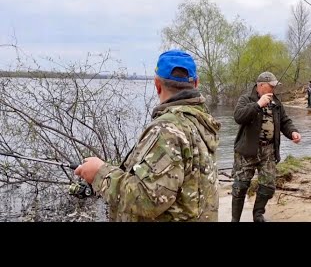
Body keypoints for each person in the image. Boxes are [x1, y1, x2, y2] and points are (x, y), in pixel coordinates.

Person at [74, 50, 221, 222]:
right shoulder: (200, 121)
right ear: (196, 83)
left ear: (157, 84)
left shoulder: (168, 130)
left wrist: (100, 173)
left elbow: (149, 200)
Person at [231, 71, 301, 222]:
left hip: (268, 150)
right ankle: (235, 219)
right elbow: (238, 117)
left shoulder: (276, 103)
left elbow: (285, 121)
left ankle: (257, 214)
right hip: (247, 150)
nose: (274, 90)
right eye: (271, 86)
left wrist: (293, 132)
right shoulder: (246, 99)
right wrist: (258, 105)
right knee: (240, 186)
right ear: (261, 86)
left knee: (269, 185)